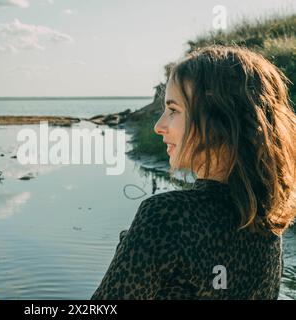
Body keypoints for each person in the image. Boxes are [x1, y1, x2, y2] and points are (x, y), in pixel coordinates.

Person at [92, 46, 296, 299]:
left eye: (174, 110)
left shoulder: (167, 216)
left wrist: (132, 248)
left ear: (219, 120)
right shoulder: (268, 221)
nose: (159, 126)